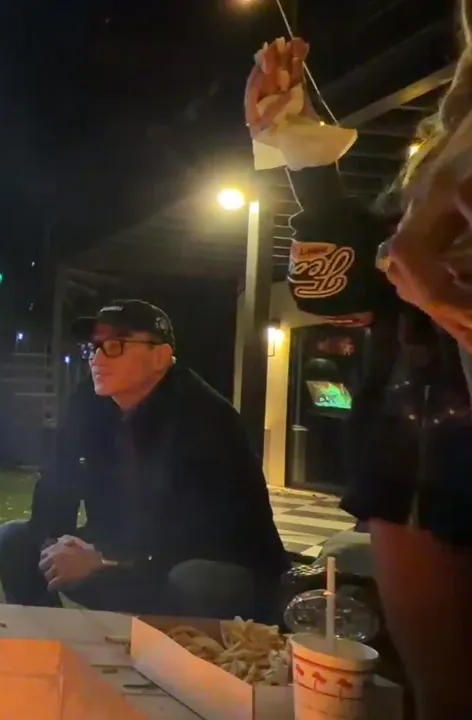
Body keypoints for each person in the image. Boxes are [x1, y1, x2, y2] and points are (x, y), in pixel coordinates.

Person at [247, 23, 472, 717]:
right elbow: (354, 282)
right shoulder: (453, 140)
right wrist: (299, 145)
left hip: (433, 428)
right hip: (421, 437)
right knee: (444, 696)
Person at [0, 300, 289, 618]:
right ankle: (52, 638)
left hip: (221, 568)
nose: (96, 359)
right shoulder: (88, 401)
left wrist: (104, 566)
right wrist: (55, 543)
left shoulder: (205, 418)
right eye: (93, 348)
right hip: (123, 552)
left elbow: (205, 535)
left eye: (114, 346)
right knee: (14, 541)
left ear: (160, 356)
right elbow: (56, 480)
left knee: (195, 580)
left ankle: (178, 649)